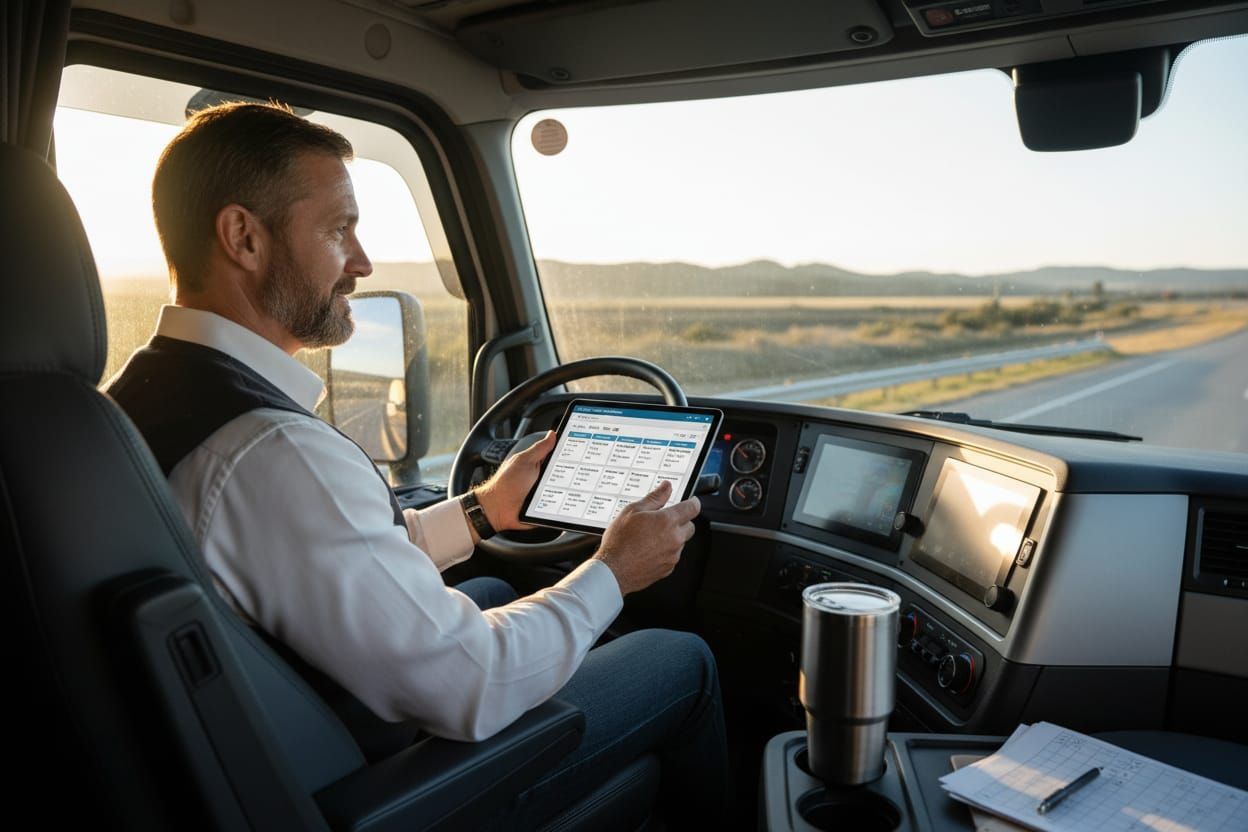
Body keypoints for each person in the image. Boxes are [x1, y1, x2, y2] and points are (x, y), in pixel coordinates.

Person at [105, 101, 730, 826]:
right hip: (363, 788)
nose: (364, 263)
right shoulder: (270, 451)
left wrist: (481, 511)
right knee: (680, 657)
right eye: (340, 229)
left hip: (282, 731)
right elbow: (477, 685)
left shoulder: (135, 399)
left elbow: (312, 563)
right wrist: (615, 570)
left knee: (493, 581)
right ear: (244, 237)